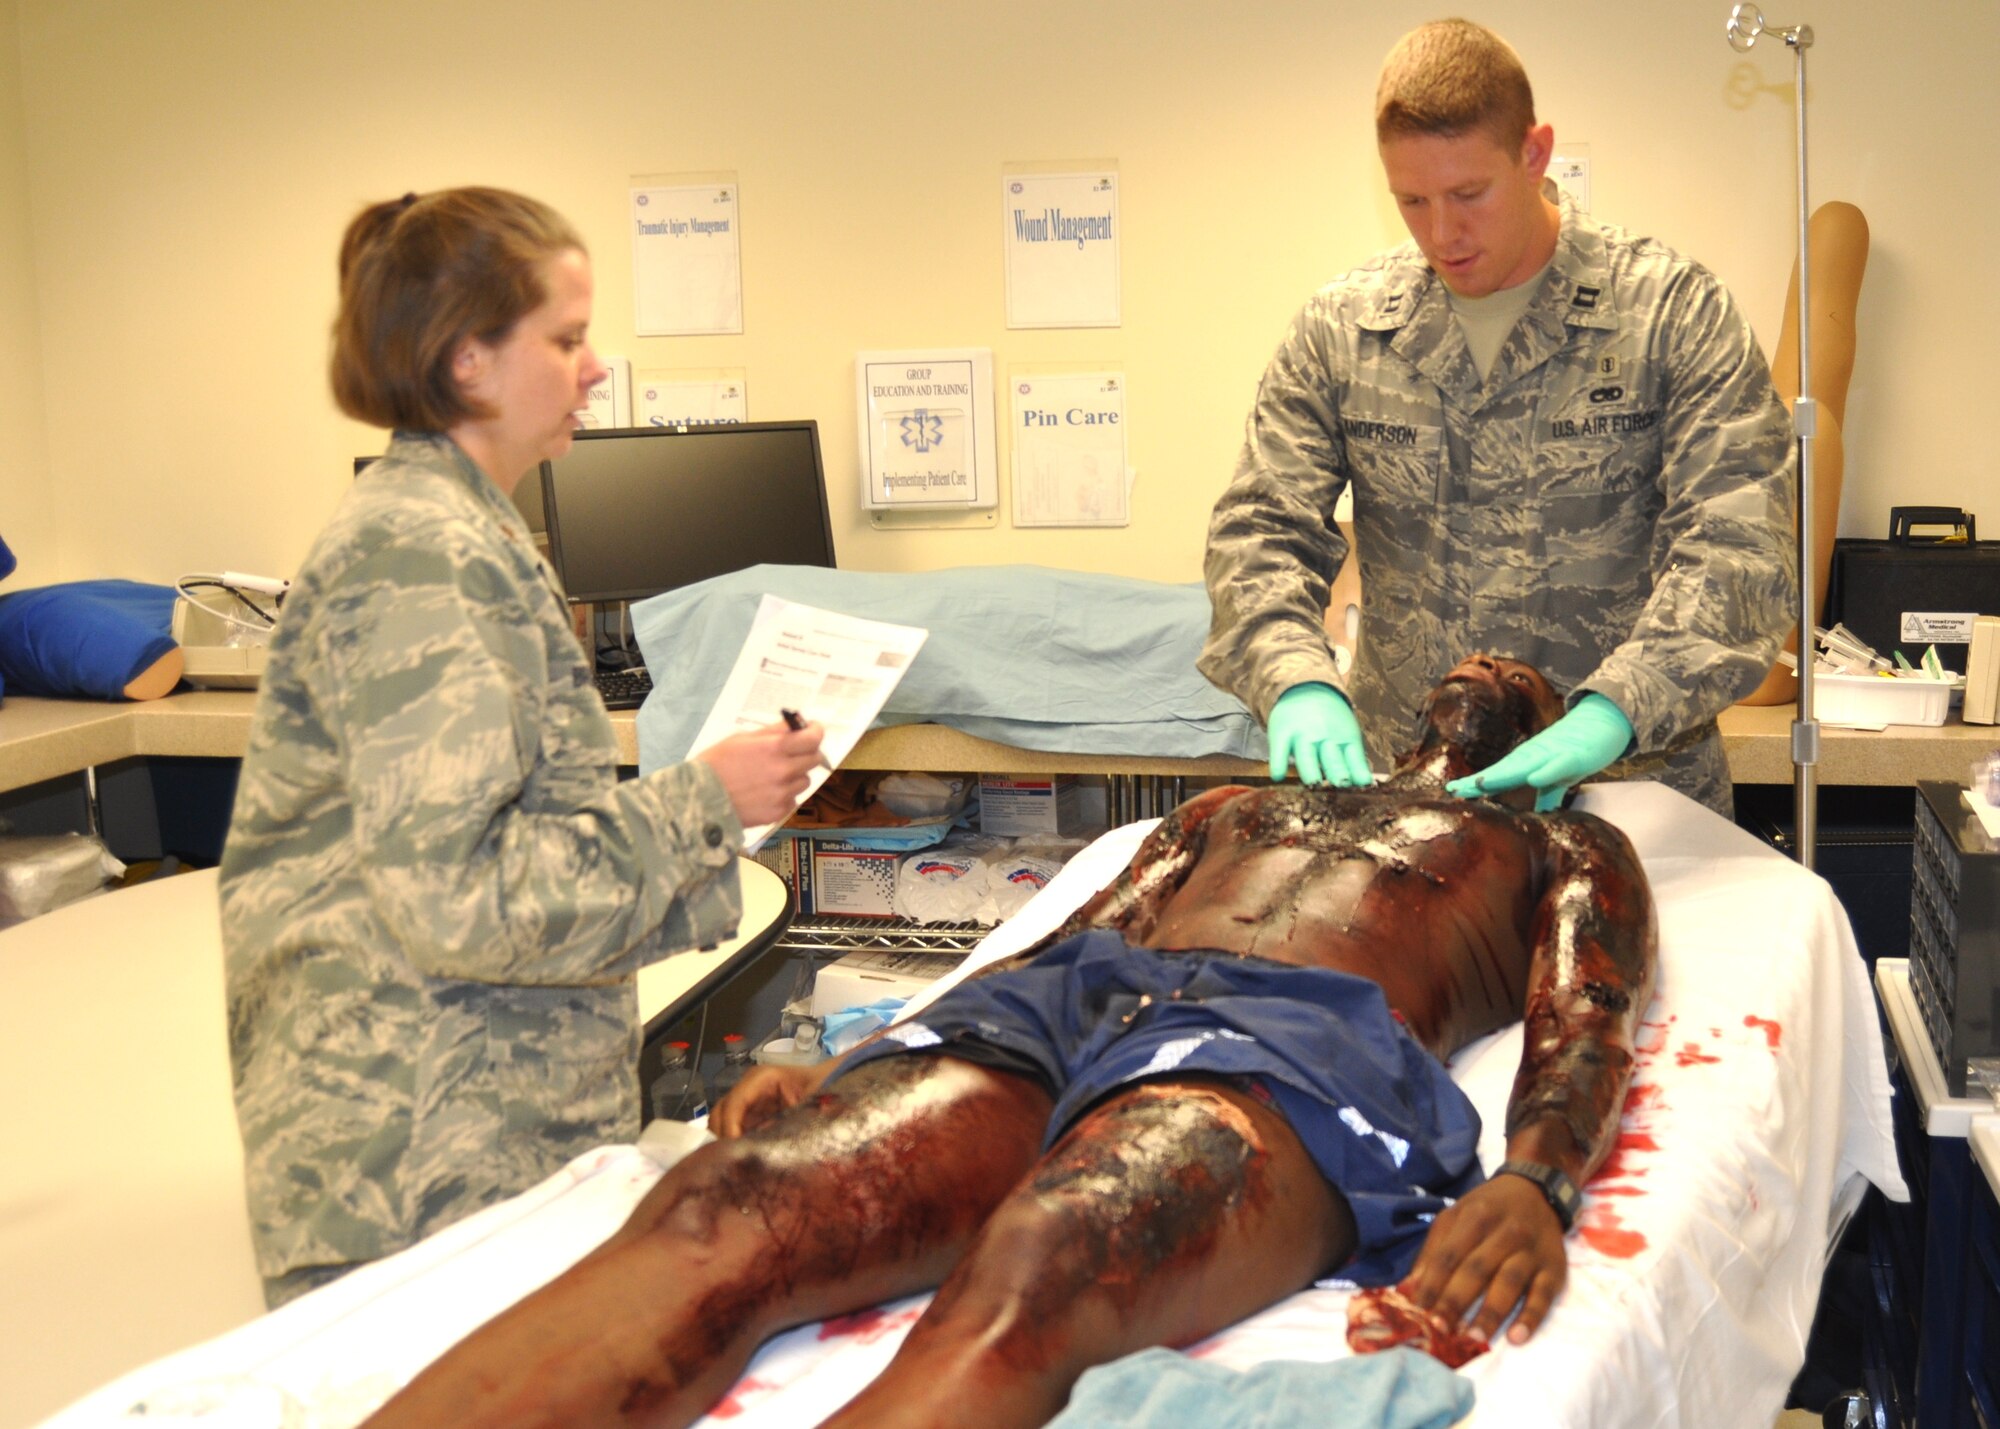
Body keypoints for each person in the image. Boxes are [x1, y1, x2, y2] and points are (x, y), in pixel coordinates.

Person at [362, 651, 1657, 1429]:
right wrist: (866, 1061)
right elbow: (1080, 930)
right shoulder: (1242, 799)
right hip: (1083, 996)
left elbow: (1585, 1014)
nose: (1478, 673)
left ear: (1546, 736)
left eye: (1514, 677)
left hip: (1290, 1036)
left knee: (1049, 1254)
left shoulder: (1552, 840)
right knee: (728, 1203)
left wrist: (1534, 1177)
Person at [220, 187, 824, 1307]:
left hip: (482, 1142)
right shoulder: (420, 555)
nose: (596, 367)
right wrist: (702, 800)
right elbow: (458, 897)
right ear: (467, 361)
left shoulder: (469, 533)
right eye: (566, 337)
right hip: (416, 1178)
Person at [1201, 18, 1796, 818]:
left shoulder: (1670, 315)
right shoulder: (1347, 332)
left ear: (1535, 153)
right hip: (1407, 798)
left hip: (1627, 792)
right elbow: (1257, 532)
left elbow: (1741, 548)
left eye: (1467, 194)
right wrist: (1297, 679)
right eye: (1410, 200)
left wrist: (1619, 705)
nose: (1441, 232)